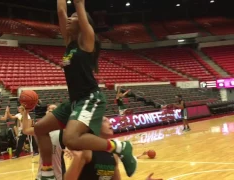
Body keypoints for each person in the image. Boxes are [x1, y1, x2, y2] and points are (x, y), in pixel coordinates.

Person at [33, 0, 137, 179]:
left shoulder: (87, 41)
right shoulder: (69, 42)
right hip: (75, 101)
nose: (68, 19)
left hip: (91, 97)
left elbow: (80, 7)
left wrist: (78, 6)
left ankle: (120, 147)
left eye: (73, 17)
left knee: (70, 139)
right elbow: (60, 11)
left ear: (81, 23)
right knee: (40, 128)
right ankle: (48, 173)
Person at [63, 117, 162, 180]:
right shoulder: (86, 152)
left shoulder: (113, 155)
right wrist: (77, 158)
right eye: (105, 121)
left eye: (109, 120)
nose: (110, 123)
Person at [22, 104, 65, 180]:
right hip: (41, 175)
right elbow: (25, 130)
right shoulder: (41, 129)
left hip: (57, 175)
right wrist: (26, 112)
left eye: (54, 108)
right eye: (48, 109)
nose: (50, 109)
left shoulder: (62, 131)